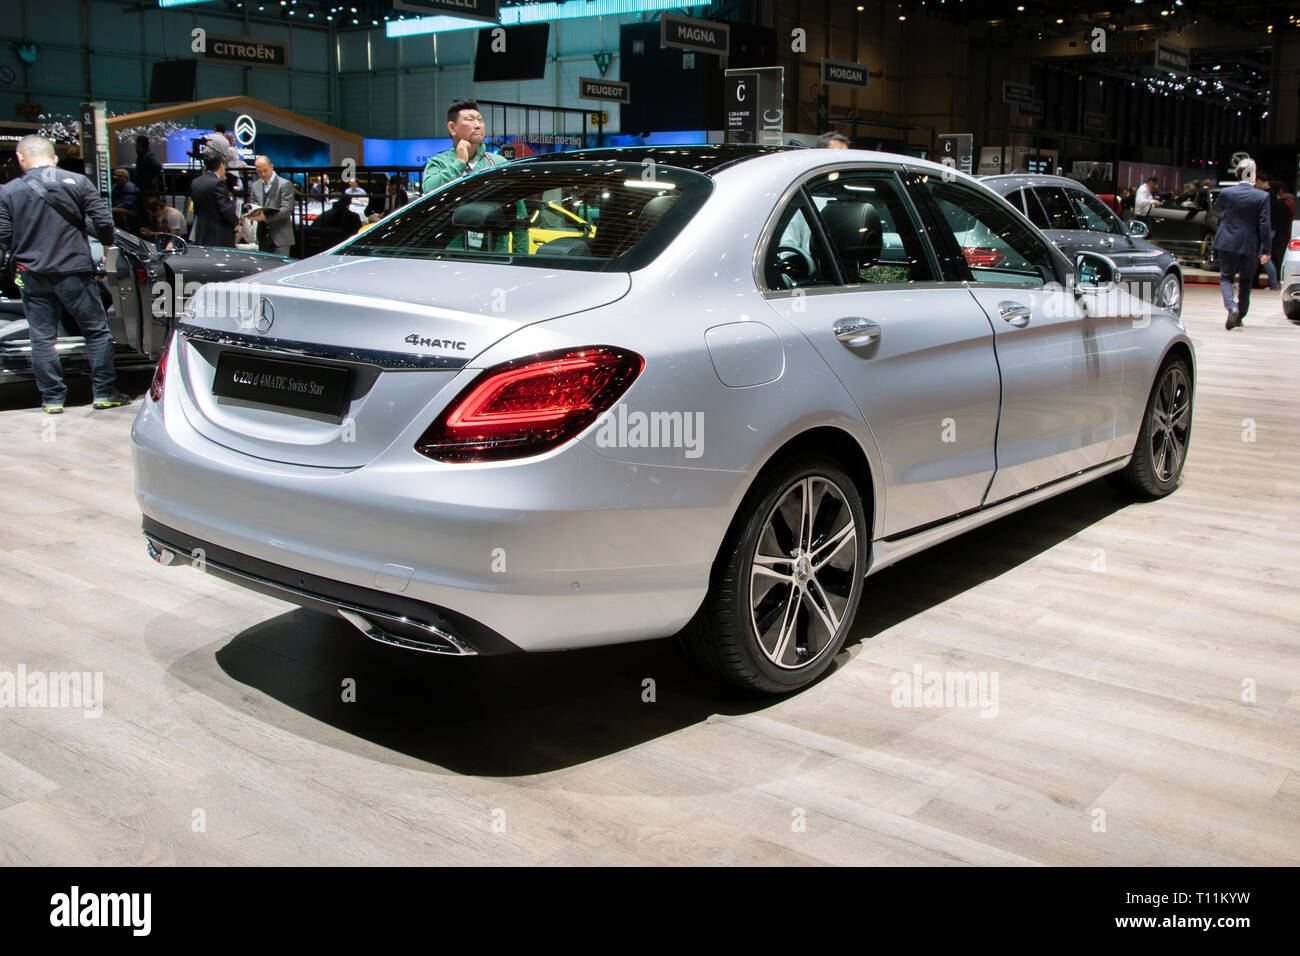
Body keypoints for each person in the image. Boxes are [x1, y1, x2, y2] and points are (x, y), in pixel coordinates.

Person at [0, 134, 127, 413]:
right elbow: (104, 222)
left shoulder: (8, 191)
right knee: (96, 332)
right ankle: (104, 393)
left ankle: (53, 399)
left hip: (31, 273)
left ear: (21, 159)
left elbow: (5, 235)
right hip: (73, 270)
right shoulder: (78, 182)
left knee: (42, 338)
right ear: (54, 158)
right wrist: (107, 249)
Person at [1213, 157, 1271, 330]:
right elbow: (1265, 224)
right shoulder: (1263, 196)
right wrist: (1266, 249)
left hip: (1227, 241)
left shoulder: (1227, 193)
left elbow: (1217, 210)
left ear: (1237, 175)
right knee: (1246, 280)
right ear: (1253, 175)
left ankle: (1232, 307)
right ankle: (1240, 314)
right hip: (1250, 244)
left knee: (1226, 278)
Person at [421, 98, 508, 194]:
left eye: (480, 120)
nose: (478, 125)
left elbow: (517, 204)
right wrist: (460, 162)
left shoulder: (498, 162)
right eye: (470, 120)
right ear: (452, 128)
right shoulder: (439, 162)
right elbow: (429, 189)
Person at [244, 155, 295, 257]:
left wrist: (265, 217)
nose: (263, 174)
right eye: (259, 172)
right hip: (262, 236)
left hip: (281, 237)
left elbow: (287, 209)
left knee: (281, 269)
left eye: (265, 170)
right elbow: (252, 204)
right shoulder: (255, 185)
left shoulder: (284, 184)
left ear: (271, 167)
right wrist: (250, 211)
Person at [190, 153, 238, 247]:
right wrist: (236, 222)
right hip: (219, 236)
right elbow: (225, 209)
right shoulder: (218, 183)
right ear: (221, 165)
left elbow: (195, 209)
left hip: (201, 234)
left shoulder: (195, 182)